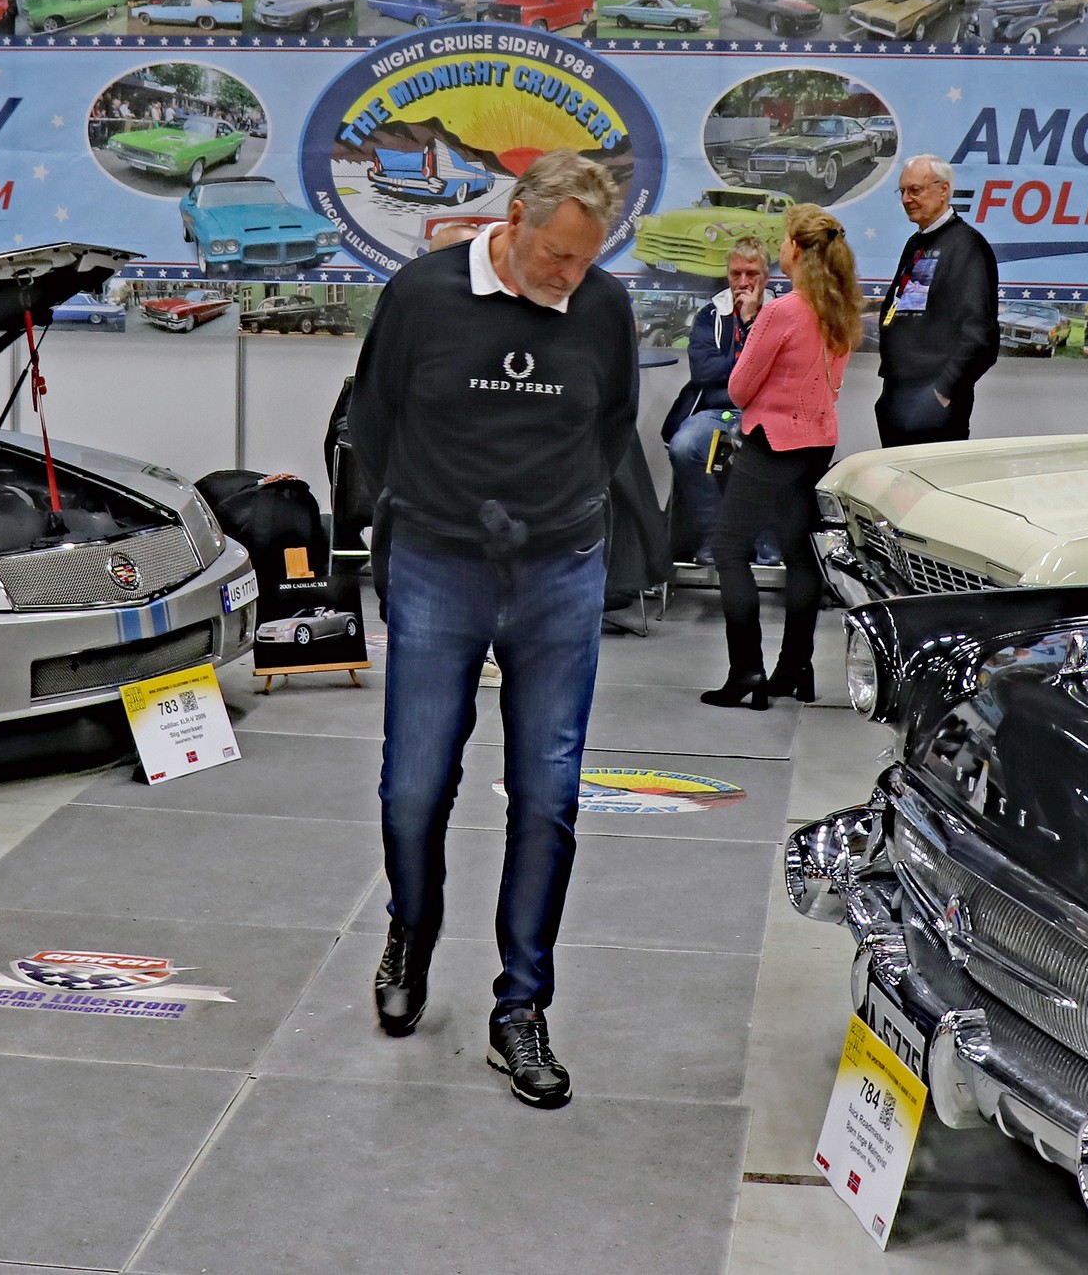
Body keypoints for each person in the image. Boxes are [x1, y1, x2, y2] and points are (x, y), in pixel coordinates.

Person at [349, 152, 637, 1111]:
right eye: (556, 255)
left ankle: (521, 1009)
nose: (569, 276)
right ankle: (412, 929)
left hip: (559, 571)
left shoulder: (602, 308)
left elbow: (612, 429)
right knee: (414, 785)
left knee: (548, 794)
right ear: (515, 219)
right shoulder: (422, 296)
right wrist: (440, 511)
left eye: (586, 260)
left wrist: (554, 514)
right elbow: (376, 423)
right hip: (441, 565)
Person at [701, 205, 855, 710]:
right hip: (817, 443)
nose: (781, 247)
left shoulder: (782, 311)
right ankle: (794, 668)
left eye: (785, 239)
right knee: (799, 554)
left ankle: (746, 669)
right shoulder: (840, 307)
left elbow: (739, 388)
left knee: (729, 549)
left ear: (797, 249)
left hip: (771, 443)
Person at [875, 156, 999, 447]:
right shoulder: (916, 242)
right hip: (897, 395)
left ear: (943, 190)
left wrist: (943, 390)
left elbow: (980, 333)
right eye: (903, 191)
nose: (906, 199)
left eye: (915, 190)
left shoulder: (967, 245)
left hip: (933, 406)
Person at [662, 237, 768, 564]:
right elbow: (704, 372)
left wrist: (748, 324)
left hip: (766, 412)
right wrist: (748, 364)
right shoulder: (711, 314)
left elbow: (778, 373)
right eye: (736, 274)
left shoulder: (780, 313)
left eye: (751, 273)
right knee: (684, 447)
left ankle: (767, 548)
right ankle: (716, 537)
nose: (743, 282)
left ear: (765, 276)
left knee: (779, 453)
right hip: (718, 411)